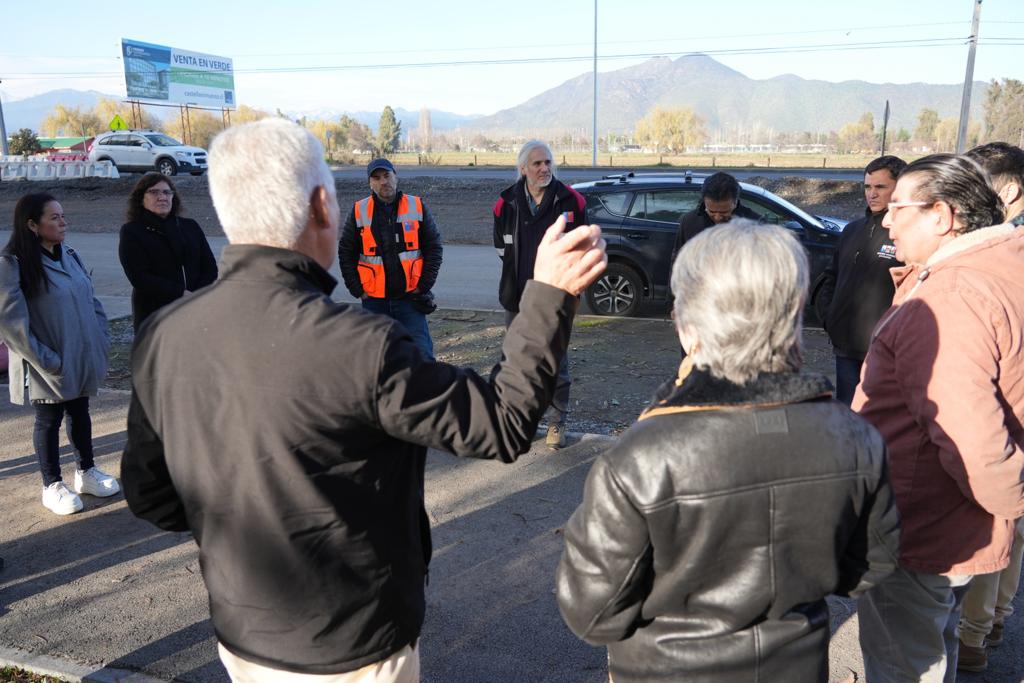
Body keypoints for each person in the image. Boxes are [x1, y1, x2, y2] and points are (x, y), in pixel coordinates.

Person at [120, 118, 606, 683]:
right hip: (356, 649)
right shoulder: (361, 347)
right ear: (323, 207)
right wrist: (546, 295)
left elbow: (151, 494)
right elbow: (502, 423)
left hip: (240, 638)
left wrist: (236, 528)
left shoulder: (164, 336)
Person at [556, 220, 900, 683]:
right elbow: (868, 568)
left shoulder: (641, 455)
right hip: (794, 666)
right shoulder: (855, 437)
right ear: (795, 311)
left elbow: (594, 614)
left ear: (687, 325)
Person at [854, 153, 1024, 682]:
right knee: (931, 645)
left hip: (920, 525)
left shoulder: (955, 294)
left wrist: (1009, 502)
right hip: (949, 521)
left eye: (899, 207)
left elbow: (971, 437)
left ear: (942, 216)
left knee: (905, 661)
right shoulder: (1002, 264)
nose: (885, 219)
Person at [0, 193, 119, 516]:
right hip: (46, 358)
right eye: (54, 217)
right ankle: (52, 484)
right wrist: (46, 360)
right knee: (48, 418)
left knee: (80, 411)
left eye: (63, 215)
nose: (63, 222)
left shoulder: (69, 254)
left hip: (80, 352)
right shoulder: (13, 264)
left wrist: (100, 337)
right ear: (32, 224)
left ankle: (87, 472)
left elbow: (90, 299)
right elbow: (11, 323)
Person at [956, 141, 1024, 672]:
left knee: (994, 521)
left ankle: (974, 638)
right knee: (1014, 529)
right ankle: (995, 618)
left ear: (1007, 190)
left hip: (1008, 413)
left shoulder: (1003, 251)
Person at [494, 140, 587, 448]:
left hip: (556, 297)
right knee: (520, 360)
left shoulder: (571, 201)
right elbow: (501, 249)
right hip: (517, 297)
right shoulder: (505, 203)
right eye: (537, 164)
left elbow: (581, 249)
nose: (544, 168)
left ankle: (557, 422)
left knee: (556, 361)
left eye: (548, 162)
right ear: (523, 169)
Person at [814, 155, 906, 405]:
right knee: (848, 414)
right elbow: (831, 276)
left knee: (880, 418)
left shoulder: (906, 235)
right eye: (867, 187)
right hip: (845, 347)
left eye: (880, 187)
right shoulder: (852, 230)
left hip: (883, 350)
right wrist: (829, 317)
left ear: (900, 187)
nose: (872, 194)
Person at [338, 158, 442, 360]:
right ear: (370, 183)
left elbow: (434, 247)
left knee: (422, 358)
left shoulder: (417, 206)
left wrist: (424, 285)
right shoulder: (359, 210)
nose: (383, 182)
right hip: (374, 303)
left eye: (387, 175)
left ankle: (422, 392)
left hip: (410, 299)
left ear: (395, 176)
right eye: (376, 178)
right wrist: (357, 289)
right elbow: (346, 251)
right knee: (378, 360)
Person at [118, 172, 218, 331]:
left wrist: (195, 296)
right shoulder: (132, 232)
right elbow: (139, 277)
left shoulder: (190, 226)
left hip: (195, 309)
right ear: (141, 198)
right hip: (155, 316)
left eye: (166, 192)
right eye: (154, 192)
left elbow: (210, 268)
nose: (162, 197)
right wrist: (180, 293)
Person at [672, 171, 761, 253]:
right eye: (712, 211)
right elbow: (678, 259)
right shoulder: (689, 222)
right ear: (704, 202)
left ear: (735, 202)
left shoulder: (756, 225)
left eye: (724, 212)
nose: (717, 217)